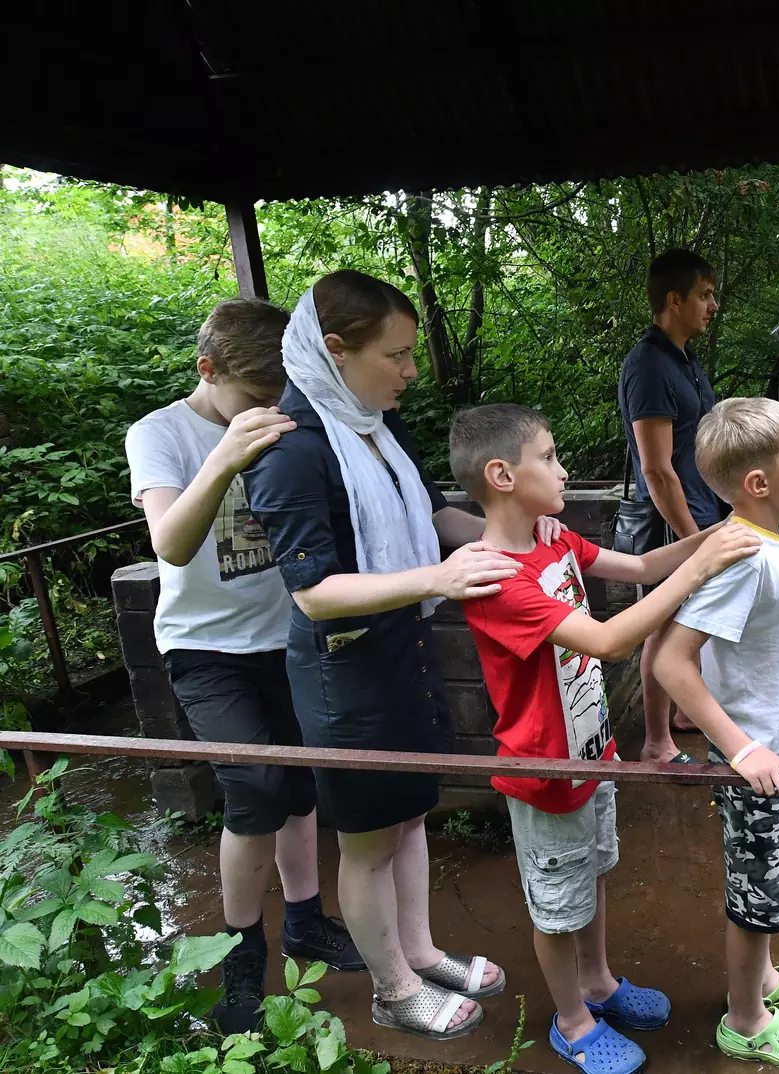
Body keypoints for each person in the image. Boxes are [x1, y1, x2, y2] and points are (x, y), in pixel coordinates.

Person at [244, 270, 561, 1041]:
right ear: (336, 351)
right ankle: (390, 986)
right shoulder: (295, 450)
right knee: (366, 839)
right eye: (398, 355)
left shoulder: (373, 427)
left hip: (401, 649)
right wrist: (440, 578)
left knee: (412, 815)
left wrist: (511, 533)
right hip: (344, 671)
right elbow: (313, 592)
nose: (412, 371)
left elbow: (430, 511)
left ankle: (417, 950)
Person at [448, 403, 761, 1072]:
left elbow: (645, 567)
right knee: (558, 907)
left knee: (592, 879)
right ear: (502, 475)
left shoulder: (555, 542)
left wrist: (717, 535)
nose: (564, 471)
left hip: (592, 755)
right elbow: (612, 640)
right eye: (551, 458)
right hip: (545, 772)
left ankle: (599, 983)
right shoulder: (498, 578)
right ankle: (571, 1019)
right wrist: (702, 568)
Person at [125, 298, 361, 1035]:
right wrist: (227, 452)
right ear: (208, 370)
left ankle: (303, 921)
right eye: (254, 396)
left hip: (283, 635)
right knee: (255, 785)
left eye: (278, 394)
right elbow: (169, 540)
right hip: (203, 647)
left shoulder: (290, 416)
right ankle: (238, 954)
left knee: (296, 784)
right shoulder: (160, 433)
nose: (270, 408)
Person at [654, 397, 779, 1068]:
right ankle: (746, 1018)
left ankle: (763, 978)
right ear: (758, 482)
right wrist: (741, 747)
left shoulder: (769, 541)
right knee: (757, 898)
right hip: (757, 762)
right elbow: (672, 660)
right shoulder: (745, 559)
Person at [617, 248, 727, 764]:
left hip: (700, 511)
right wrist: (691, 540)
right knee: (662, 625)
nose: (712, 306)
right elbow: (656, 468)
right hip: (671, 523)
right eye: (704, 296)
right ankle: (657, 742)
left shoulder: (684, 359)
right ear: (674, 300)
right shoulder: (649, 366)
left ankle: (684, 713)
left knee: (691, 617)